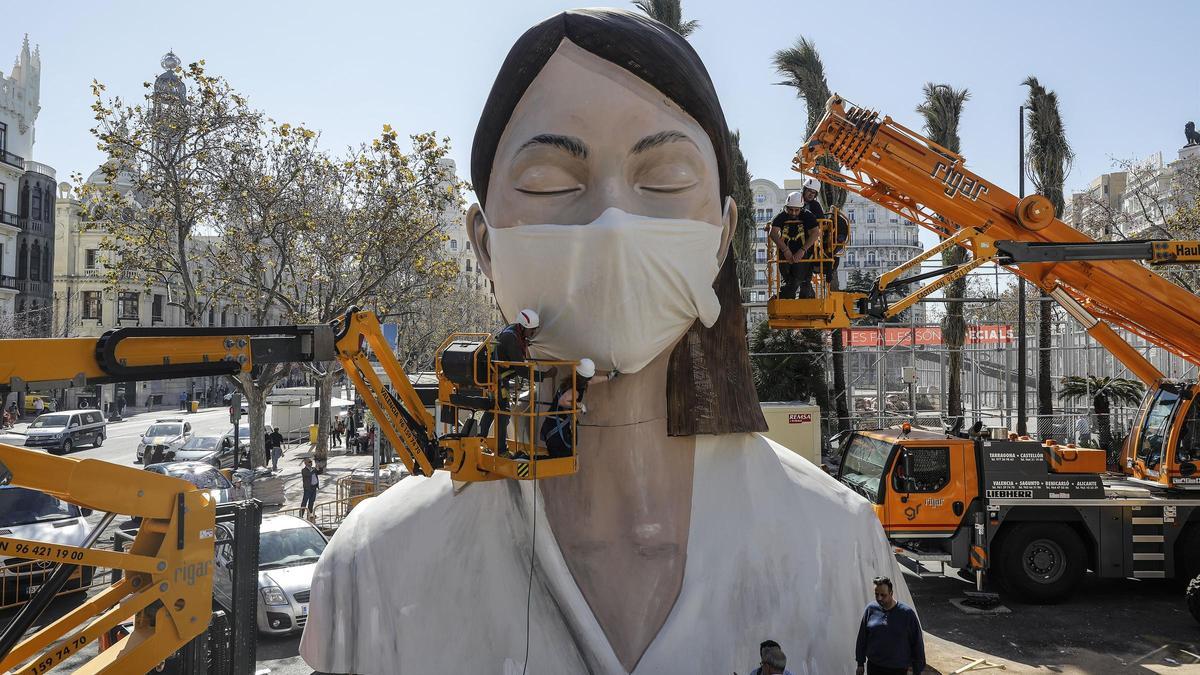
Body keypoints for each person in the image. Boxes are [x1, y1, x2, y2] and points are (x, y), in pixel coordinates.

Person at [301, 10, 907, 674]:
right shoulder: (376, 567)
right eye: (551, 183)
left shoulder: (838, 542)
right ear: (483, 243)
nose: (613, 224)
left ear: (722, 234)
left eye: (666, 180)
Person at [477, 309, 539, 456]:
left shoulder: (513, 332)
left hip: (494, 378)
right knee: (502, 413)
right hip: (497, 380)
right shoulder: (511, 338)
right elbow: (521, 370)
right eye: (532, 330)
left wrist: (525, 343)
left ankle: (479, 441)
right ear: (523, 326)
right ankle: (501, 450)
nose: (533, 333)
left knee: (492, 410)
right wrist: (544, 375)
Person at [540, 358, 616, 459]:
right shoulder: (575, 390)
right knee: (562, 459)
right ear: (586, 378)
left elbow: (591, 381)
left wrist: (608, 377)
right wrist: (578, 406)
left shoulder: (573, 381)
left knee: (562, 456)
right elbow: (562, 401)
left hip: (552, 426)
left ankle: (523, 458)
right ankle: (523, 459)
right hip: (556, 431)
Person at [855, 576, 925, 675]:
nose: (879, 598)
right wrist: (860, 663)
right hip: (874, 667)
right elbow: (862, 638)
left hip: (898, 669)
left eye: (883, 595)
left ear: (891, 593)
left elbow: (917, 643)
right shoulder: (870, 610)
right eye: (876, 594)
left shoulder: (907, 614)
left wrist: (917, 670)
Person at [767, 190, 821, 299]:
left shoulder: (807, 215)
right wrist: (785, 250)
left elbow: (815, 233)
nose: (793, 213)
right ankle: (794, 298)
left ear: (801, 208)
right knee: (789, 281)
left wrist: (802, 250)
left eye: (797, 210)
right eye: (790, 210)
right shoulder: (782, 216)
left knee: (799, 280)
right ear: (786, 207)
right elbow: (773, 233)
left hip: (804, 255)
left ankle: (782, 297)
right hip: (785, 255)